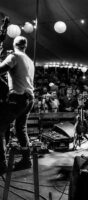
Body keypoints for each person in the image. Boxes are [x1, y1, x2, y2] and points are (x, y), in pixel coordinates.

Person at [0, 36, 35, 174]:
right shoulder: (29, 60)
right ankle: (27, 160)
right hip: (29, 98)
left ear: (14, 45)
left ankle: (1, 164)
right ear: (25, 46)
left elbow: (1, 70)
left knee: (0, 127)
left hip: (18, 98)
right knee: (20, 128)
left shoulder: (14, 56)